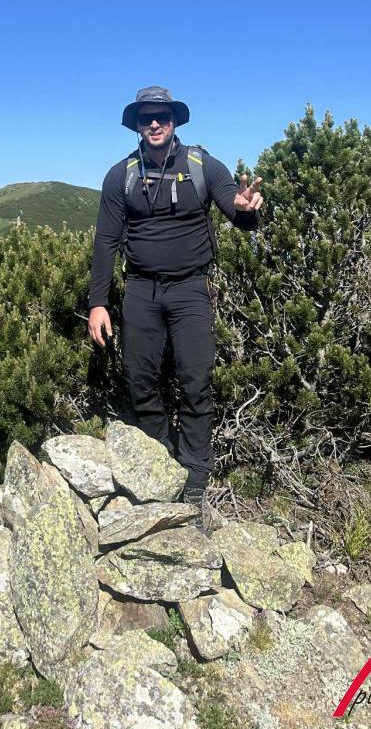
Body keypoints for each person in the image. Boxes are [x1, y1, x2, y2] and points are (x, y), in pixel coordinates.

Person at [88, 86, 263, 521]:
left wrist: (247, 210)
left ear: (174, 121)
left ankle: (195, 480)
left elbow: (237, 212)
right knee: (139, 381)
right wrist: (98, 302)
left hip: (190, 290)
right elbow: (106, 241)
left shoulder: (204, 166)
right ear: (136, 125)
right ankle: (164, 464)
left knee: (196, 382)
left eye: (162, 116)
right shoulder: (121, 176)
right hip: (141, 290)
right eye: (146, 117)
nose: (154, 123)